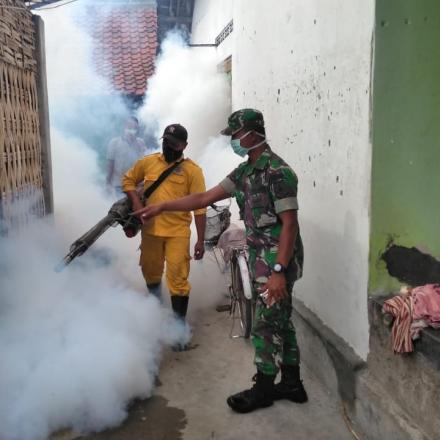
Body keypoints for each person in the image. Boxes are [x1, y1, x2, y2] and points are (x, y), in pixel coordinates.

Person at [133, 109, 308, 413]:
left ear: (253, 134)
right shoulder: (244, 172)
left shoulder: (278, 172)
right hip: (260, 256)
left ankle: (264, 387)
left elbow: (289, 225)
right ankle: (292, 382)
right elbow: (202, 199)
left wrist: (279, 271)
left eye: (237, 135)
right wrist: (162, 207)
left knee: (266, 324)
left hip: (276, 259)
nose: (235, 141)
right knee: (281, 319)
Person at [122, 124, 207, 336]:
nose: (169, 146)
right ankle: (157, 314)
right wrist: (136, 203)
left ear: (184, 146)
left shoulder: (192, 171)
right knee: (150, 272)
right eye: (166, 141)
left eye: (174, 143)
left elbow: (200, 207)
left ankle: (179, 331)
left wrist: (201, 241)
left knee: (177, 278)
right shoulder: (148, 162)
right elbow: (128, 180)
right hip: (150, 231)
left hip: (178, 232)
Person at [106, 116, 146, 195]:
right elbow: (110, 164)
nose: (132, 129)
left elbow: (144, 164)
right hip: (119, 185)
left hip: (136, 185)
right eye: (129, 127)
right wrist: (108, 183)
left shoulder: (141, 143)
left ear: (137, 129)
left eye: (134, 127)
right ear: (124, 126)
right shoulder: (114, 142)